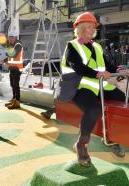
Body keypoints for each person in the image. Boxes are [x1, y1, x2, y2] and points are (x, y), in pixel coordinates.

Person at [57, 12, 127, 166]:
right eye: (87, 26)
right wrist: (97, 73)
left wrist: (119, 70)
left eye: (93, 26)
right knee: (94, 109)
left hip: (100, 85)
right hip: (79, 86)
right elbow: (78, 67)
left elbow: (107, 66)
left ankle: (110, 138)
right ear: (80, 28)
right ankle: (81, 145)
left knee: (123, 101)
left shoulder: (96, 46)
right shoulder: (72, 46)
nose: (91, 29)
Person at [4, 31, 23, 109]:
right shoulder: (13, 45)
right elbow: (11, 56)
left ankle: (17, 102)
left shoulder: (18, 45)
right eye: (9, 38)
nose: (9, 39)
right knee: (13, 85)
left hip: (17, 69)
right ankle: (14, 99)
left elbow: (14, 54)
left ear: (15, 37)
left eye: (11, 38)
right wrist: (5, 60)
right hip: (12, 68)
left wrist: (7, 54)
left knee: (16, 85)